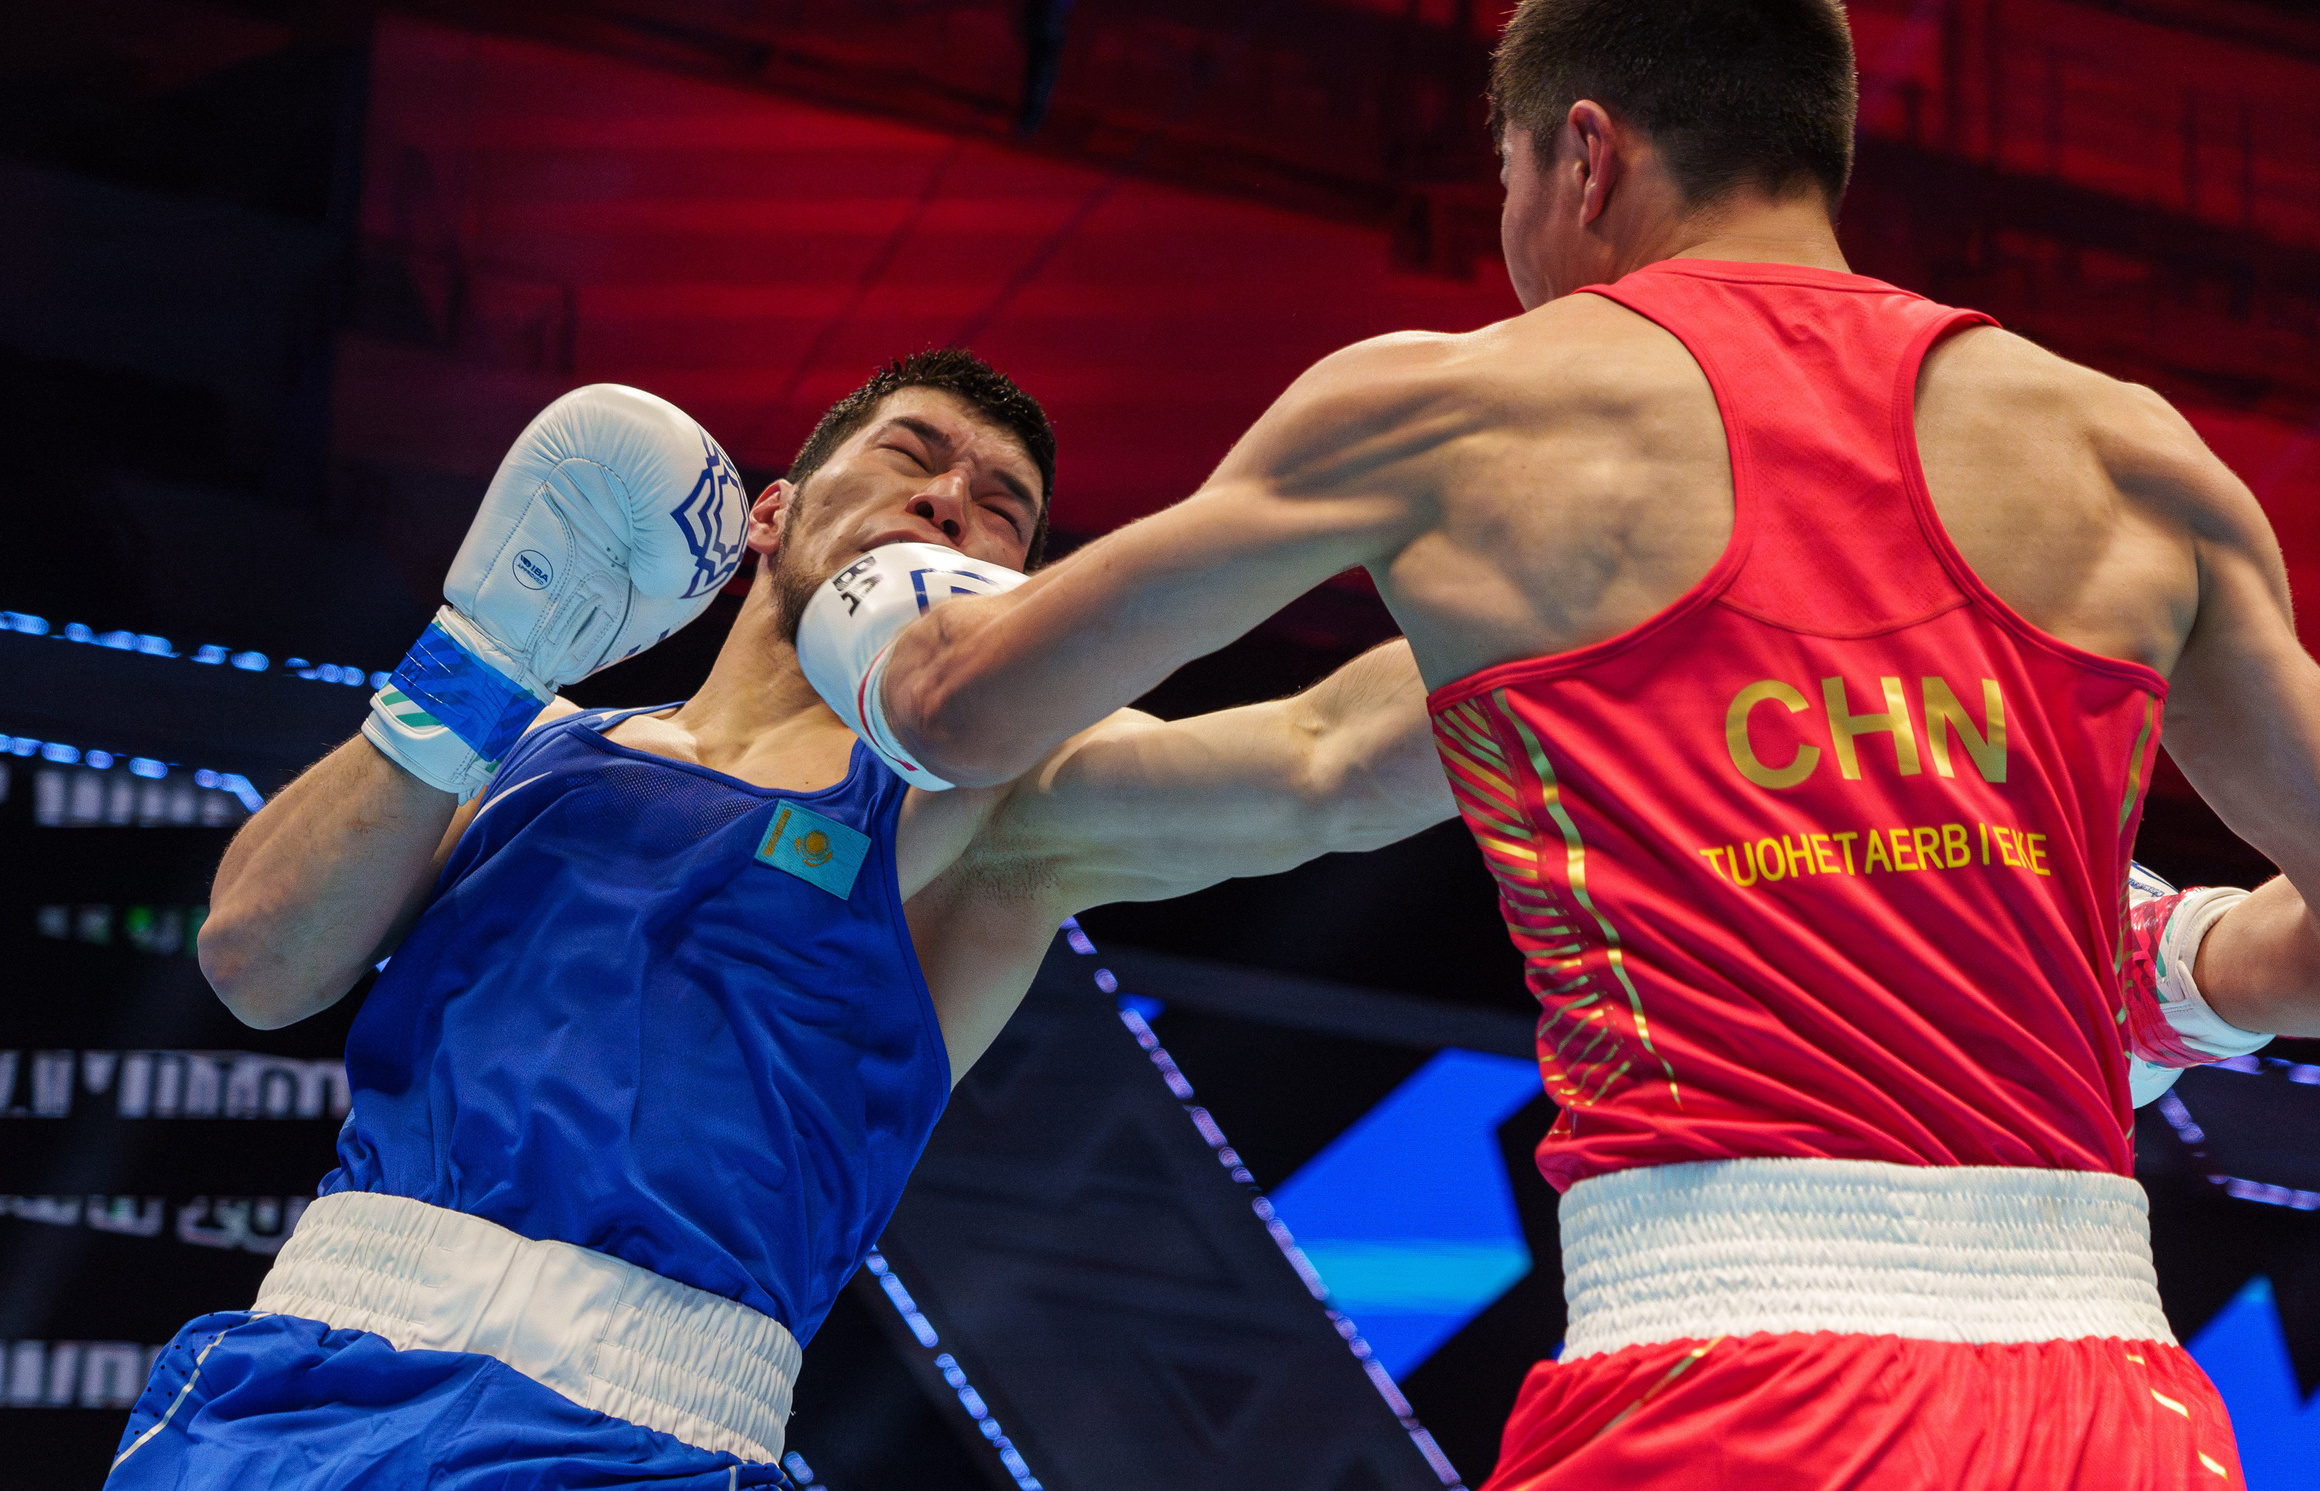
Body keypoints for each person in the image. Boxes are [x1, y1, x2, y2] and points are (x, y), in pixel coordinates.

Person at [852, 0, 2320, 1487]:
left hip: (1729, 1381)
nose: (1510, 254)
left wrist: (874, 602)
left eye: (1505, 186)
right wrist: (2173, 974)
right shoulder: (2132, 454)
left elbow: (961, 716)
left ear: (1585, 154)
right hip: (2114, 1394)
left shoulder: (1455, 413)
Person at [110, 351, 1455, 1489]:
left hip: (637, 1440)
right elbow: (257, 961)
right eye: (912, 456)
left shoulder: (985, 818)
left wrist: (1603, 601)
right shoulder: (529, 744)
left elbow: (1327, 760)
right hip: (293, 1391)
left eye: (1004, 512)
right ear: (773, 512)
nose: (949, 503)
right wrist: (480, 657)